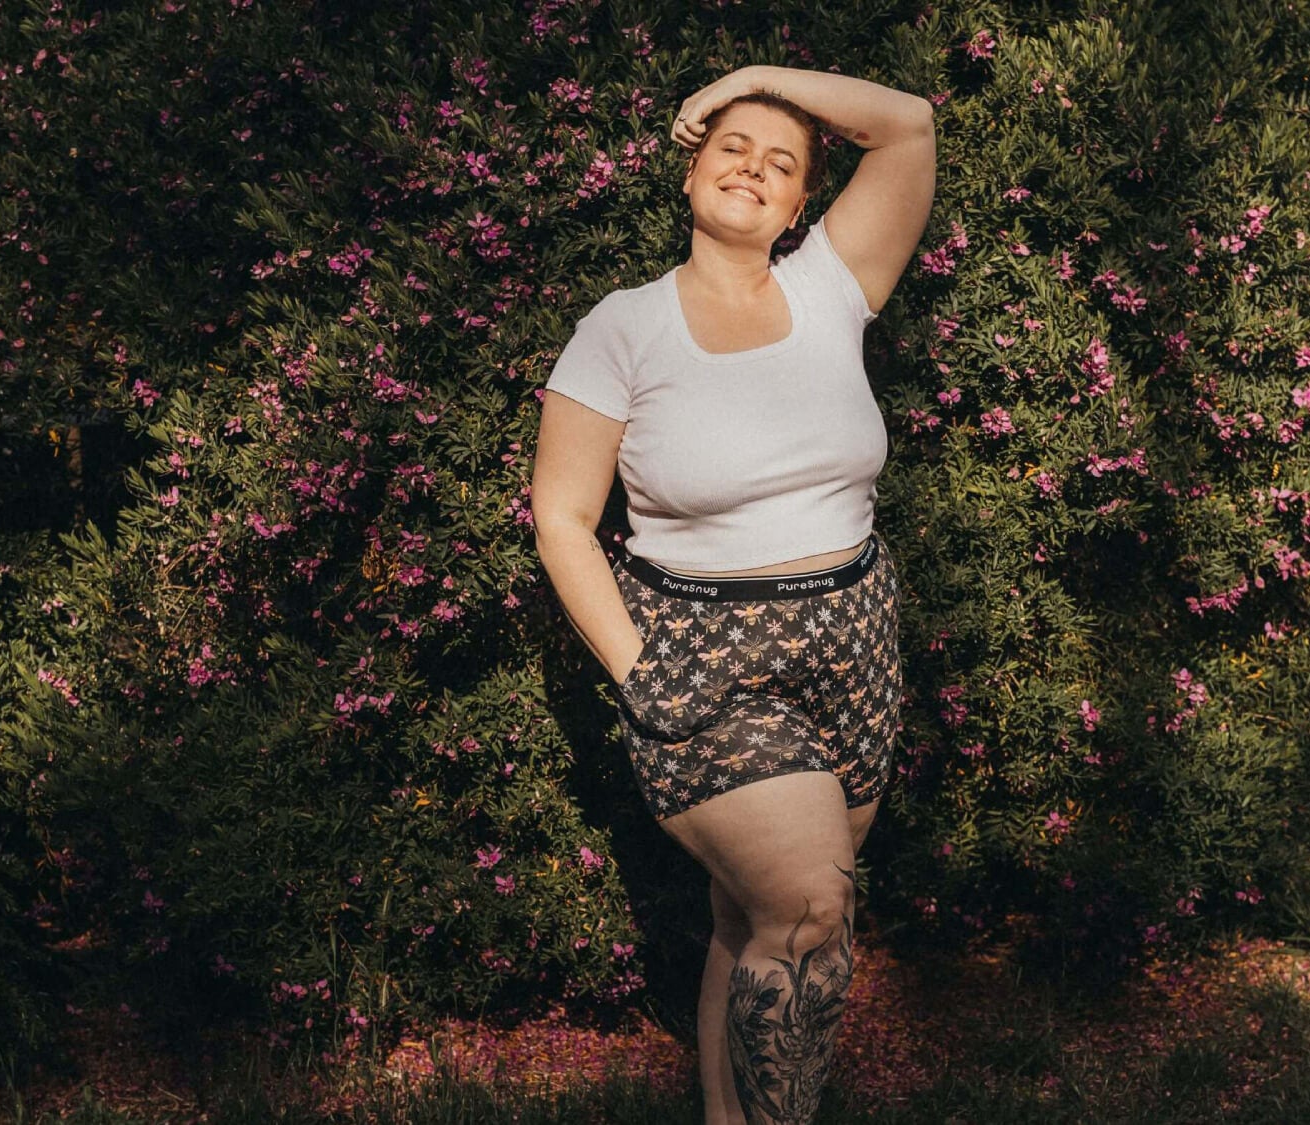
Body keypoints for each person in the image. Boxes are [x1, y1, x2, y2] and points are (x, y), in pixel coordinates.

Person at [530, 63, 936, 1125]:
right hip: (701, 654)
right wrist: (637, 669)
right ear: (691, 173)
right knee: (808, 913)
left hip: (852, 638)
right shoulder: (622, 327)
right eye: (731, 147)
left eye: (781, 160)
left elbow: (908, 126)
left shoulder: (832, 284)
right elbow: (562, 519)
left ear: (802, 202)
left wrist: (752, 81)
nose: (752, 167)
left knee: (744, 918)